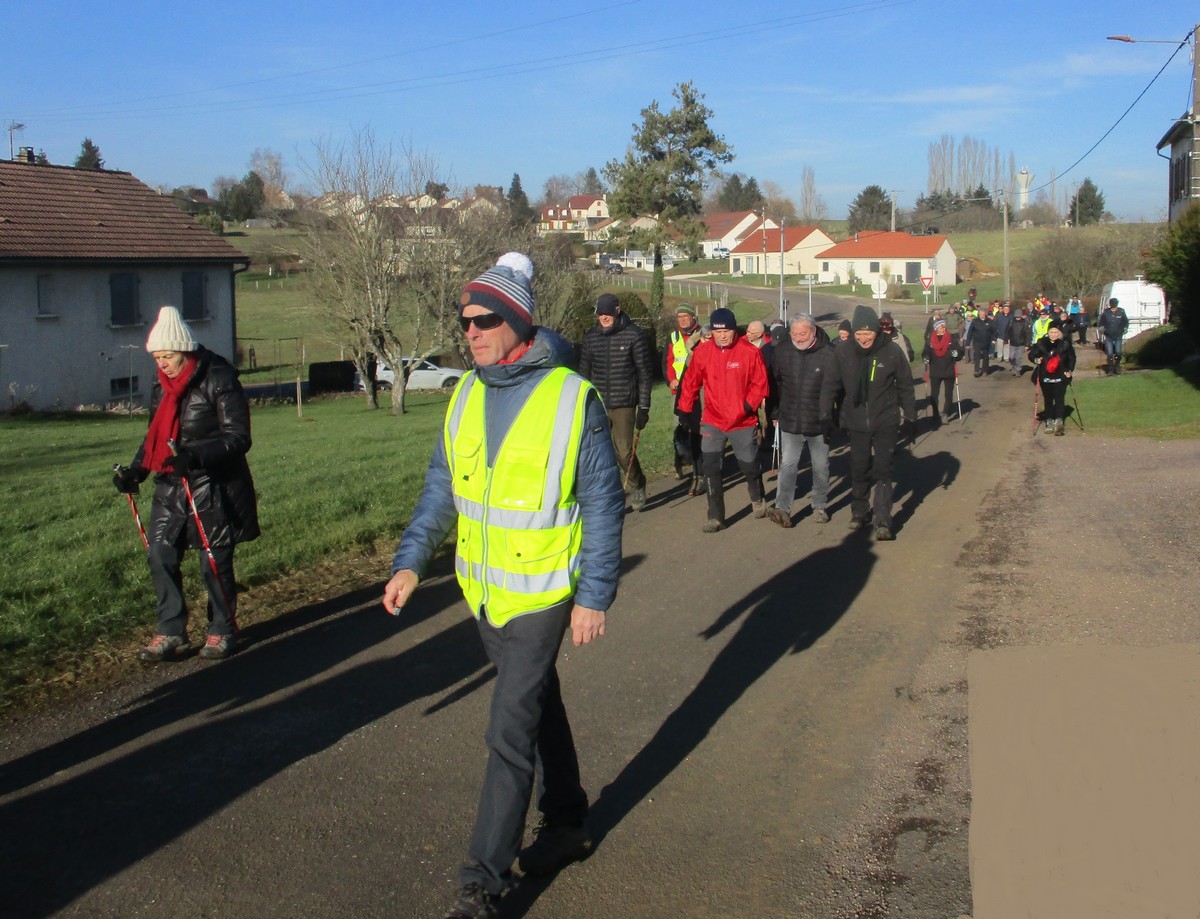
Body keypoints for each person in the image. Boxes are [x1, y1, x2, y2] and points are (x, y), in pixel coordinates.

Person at [383, 253, 624, 919]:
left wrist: (594, 594)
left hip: (544, 594)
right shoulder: (464, 393)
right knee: (538, 702)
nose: (472, 331)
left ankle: (481, 884)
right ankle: (568, 821)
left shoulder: (572, 397)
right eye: (465, 321)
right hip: (484, 593)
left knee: (508, 730)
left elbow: (604, 504)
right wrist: (410, 561)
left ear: (518, 322)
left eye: (486, 319)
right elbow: (441, 488)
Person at [112, 306, 259, 662]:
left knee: (213, 563)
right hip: (171, 486)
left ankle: (222, 629)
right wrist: (136, 471)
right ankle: (171, 631)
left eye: (168, 356)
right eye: (157, 357)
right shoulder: (160, 386)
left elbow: (239, 437)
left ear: (185, 350)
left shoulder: (219, 377)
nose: (162, 364)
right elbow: (155, 438)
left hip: (215, 486)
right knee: (160, 554)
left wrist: (194, 455)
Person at [821, 304, 916, 541]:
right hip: (855, 420)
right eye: (859, 334)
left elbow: (905, 385)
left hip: (885, 419)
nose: (864, 338)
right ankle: (860, 512)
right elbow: (830, 385)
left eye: (868, 333)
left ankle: (882, 519)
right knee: (859, 467)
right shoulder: (843, 352)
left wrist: (910, 417)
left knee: (883, 469)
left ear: (876, 330)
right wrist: (825, 415)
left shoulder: (891, 351)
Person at [677, 307, 770, 533]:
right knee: (711, 468)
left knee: (748, 466)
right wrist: (684, 410)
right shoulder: (703, 352)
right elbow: (690, 382)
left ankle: (757, 496)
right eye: (717, 332)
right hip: (713, 420)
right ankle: (716, 517)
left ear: (734, 330)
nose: (722, 336)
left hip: (742, 421)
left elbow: (760, 384)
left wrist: (747, 406)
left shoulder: (749, 352)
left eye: (726, 331)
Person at [579, 293, 654, 511]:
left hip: (624, 402)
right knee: (599, 453)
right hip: (598, 403)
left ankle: (637, 483)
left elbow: (644, 373)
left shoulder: (634, 335)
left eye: (608, 313)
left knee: (623, 451)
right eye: (600, 313)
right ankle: (606, 493)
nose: (604, 317)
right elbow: (583, 373)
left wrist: (644, 407)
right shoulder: (591, 337)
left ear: (617, 311)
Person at [766, 314, 836, 527]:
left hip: (818, 421)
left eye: (802, 333)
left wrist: (834, 417)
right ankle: (782, 508)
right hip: (790, 418)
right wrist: (775, 413)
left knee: (820, 465)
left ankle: (819, 505)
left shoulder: (829, 354)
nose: (798, 338)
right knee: (788, 464)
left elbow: (837, 389)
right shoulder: (782, 351)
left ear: (813, 331)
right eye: (794, 333)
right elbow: (774, 385)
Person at [665, 303, 705, 493]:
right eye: (679, 317)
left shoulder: (704, 334)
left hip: (700, 390)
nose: (682, 320)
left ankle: (703, 468)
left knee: (701, 430)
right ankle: (679, 463)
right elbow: (667, 362)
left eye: (685, 316)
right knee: (679, 429)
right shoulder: (673, 337)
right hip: (679, 392)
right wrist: (670, 380)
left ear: (693, 317)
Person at [1029, 319, 1076, 435]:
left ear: (1059, 333)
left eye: (1056, 332)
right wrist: (1036, 359)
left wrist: (1069, 370)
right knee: (1048, 399)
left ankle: (1059, 421)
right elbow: (1031, 354)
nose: (1053, 334)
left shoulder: (1065, 343)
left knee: (1059, 399)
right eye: (1051, 332)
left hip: (1061, 375)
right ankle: (1049, 421)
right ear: (1048, 332)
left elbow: (1072, 358)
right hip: (1045, 376)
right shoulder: (1041, 343)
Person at [920, 317, 961, 427]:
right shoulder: (930, 340)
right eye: (941, 327)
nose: (943, 328)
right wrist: (925, 357)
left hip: (949, 371)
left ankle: (945, 413)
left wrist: (956, 353)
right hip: (935, 371)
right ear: (936, 328)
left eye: (944, 326)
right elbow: (925, 352)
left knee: (948, 394)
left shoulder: (951, 338)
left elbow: (959, 352)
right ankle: (935, 414)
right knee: (934, 394)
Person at [1097, 297, 1129, 375]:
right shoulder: (1106, 312)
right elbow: (1101, 322)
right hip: (1108, 335)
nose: (1114, 306)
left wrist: (1125, 328)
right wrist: (1101, 328)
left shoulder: (1121, 311)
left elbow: (1125, 321)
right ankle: (1110, 369)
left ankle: (1117, 367)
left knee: (1118, 352)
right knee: (1110, 353)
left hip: (1118, 335)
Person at [965, 305, 996, 377]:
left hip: (986, 342)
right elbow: (970, 333)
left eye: (983, 313)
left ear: (985, 313)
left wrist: (994, 339)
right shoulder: (975, 321)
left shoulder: (990, 321)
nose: (982, 314)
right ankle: (976, 370)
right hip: (977, 342)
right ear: (978, 314)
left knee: (985, 357)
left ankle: (985, 370)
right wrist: (967, 343)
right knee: (977, 356)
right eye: (980, 313)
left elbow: (994, 331)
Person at [1006, 307, 1031, 376]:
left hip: (1021, 343)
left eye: (1019, 317)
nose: (1017, 318)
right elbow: (1007, 331)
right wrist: (1006, 340)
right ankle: (1014, 366)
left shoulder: (1025, 322)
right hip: (1012, 343)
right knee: (1011, 357)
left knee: (1018, 358)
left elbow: (1028, 334)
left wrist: (1027, 345)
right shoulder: (1011, 322)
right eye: (1016, 317)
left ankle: (1018, 370)